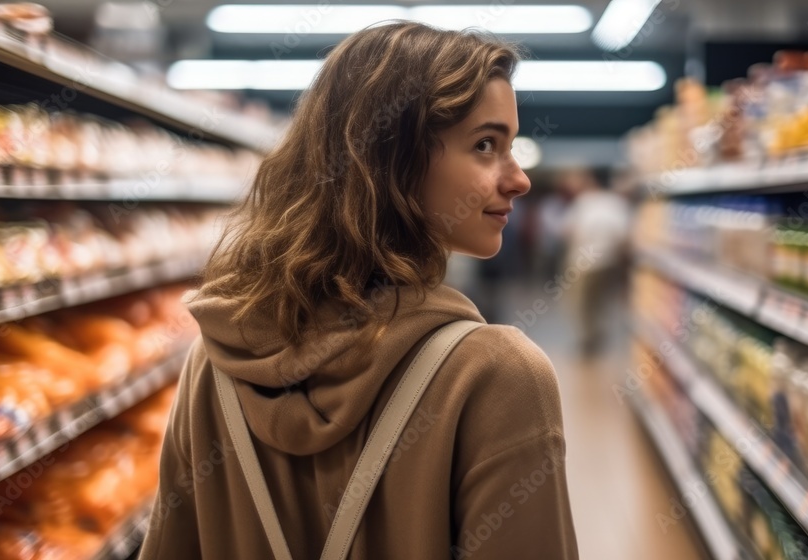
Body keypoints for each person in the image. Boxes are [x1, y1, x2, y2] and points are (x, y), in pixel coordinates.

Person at [138, 22, 578, 560]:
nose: (519, 179)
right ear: (393, 162)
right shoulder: (497, 377)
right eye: (486, 145)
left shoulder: (217, 360)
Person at [559, 169, 630, 356]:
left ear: (591, 180)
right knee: (602, 302)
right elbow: (623, 238)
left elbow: (569, 231)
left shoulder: (584, 202)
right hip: (609, 261)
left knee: (582, 304)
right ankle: (598, 336)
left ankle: (587, 340)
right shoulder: (617, 203)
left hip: (583, 263)